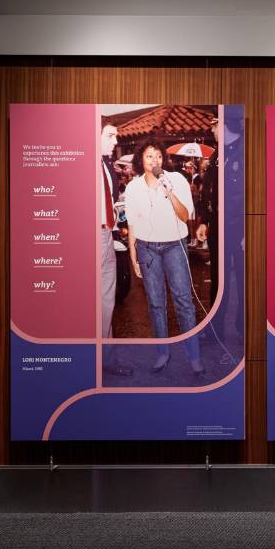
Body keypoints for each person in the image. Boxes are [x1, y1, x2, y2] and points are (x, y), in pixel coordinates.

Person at [124, 141, 203, 374]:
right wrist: (133, 255)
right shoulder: (133, 187)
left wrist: (169, 191)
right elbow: (132, 222)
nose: (154, 160)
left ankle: (194, 356)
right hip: (147, 249)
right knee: (156, 303)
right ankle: (162, 353)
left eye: (158, 156)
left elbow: (185, 216)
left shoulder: (176, 179)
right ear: (141, 160)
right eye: (149, 156)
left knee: (183, 301)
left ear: (163, 159)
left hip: (174, 246)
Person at [98, 124, 131, 376]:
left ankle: (106, 358)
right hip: (89, 236)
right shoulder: (78, 164)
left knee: (106, 299)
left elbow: (109, 200)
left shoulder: (106, 164)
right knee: (95, 300)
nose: (115, 141)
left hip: (106, 234)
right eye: (110, 135)